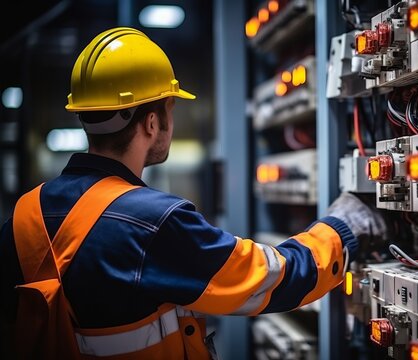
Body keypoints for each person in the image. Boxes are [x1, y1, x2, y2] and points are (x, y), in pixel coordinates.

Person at [0, 27, 386, 359]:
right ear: (152, 122)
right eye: (170, 108)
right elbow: (265, 279)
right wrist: (340, 230)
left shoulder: (24, 216)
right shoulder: (151, 221)